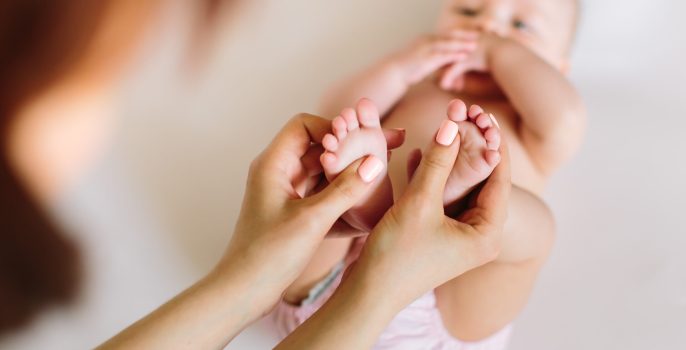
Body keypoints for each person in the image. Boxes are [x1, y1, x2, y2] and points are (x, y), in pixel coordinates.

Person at [0, 0, 522, 348]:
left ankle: (375, 189)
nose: (102, 121)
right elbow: (347, 102)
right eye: (106, 68)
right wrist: (380, 286)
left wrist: (249, 274)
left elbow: (563, 117)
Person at [275, 0, 582, 346]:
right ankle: (367, 196)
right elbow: (332, 114)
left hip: (451, 308)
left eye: (521, 27)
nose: (487, 29)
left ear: (558, 69)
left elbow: (566, 119)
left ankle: (465, 200)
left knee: (534, 230)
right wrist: (400, 69)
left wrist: (499, 54)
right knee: (319, 168)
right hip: (336, 285)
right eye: (468, 12)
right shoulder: (418, 85)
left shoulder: (535, 127)